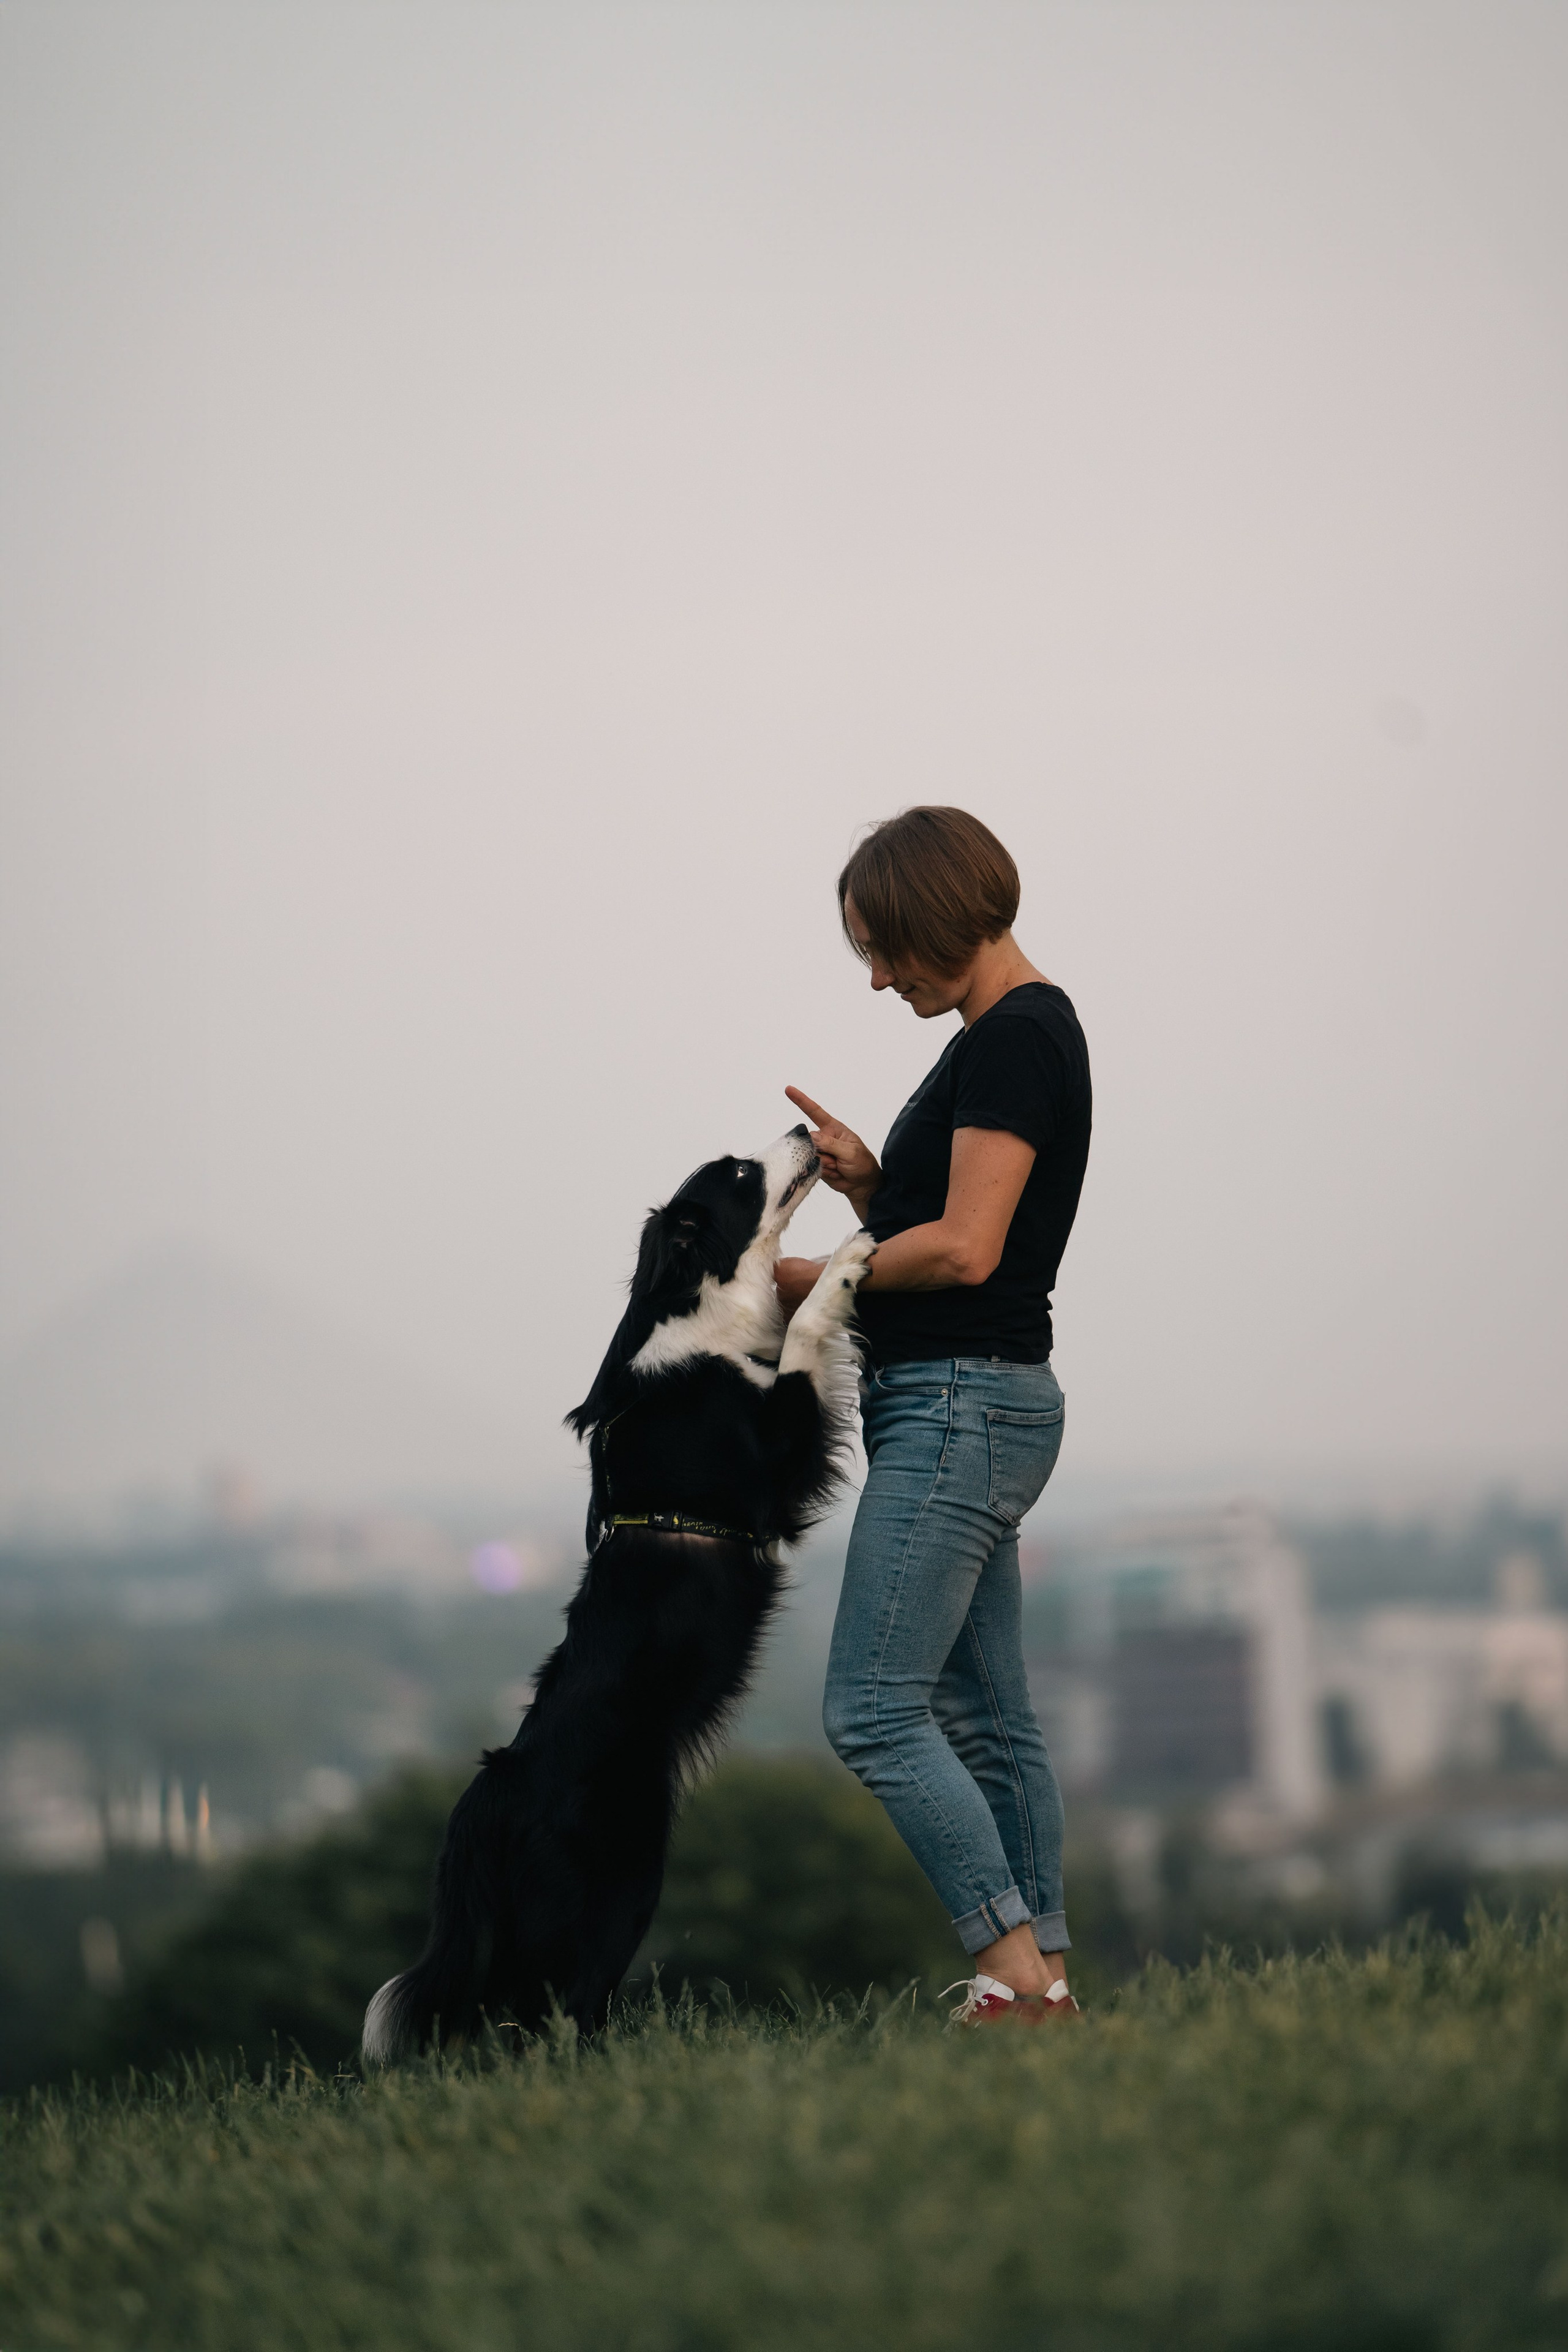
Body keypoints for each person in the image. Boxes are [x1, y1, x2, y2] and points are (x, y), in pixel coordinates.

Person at [775, 805, 1091, 2026]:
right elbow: (951, 1233)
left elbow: (965, 1252)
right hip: (975, 1400)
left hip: (960, 1403)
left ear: (942, 917)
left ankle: (1014, 1982)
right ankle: (1043, 1990)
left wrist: (813, 1279)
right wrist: (873, 1188)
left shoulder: (1013, 1040)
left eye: (886, 947)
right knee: (985, 1718)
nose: (877, 978)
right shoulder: (1006, 1037)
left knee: (870, 1709)